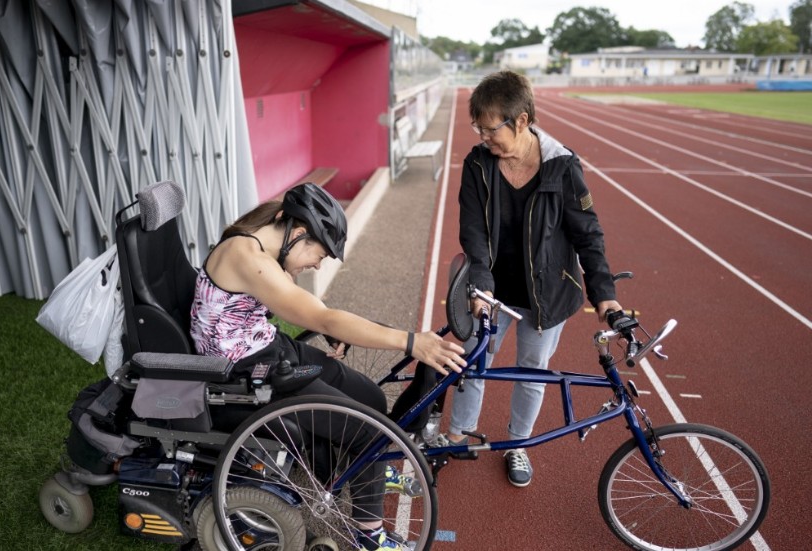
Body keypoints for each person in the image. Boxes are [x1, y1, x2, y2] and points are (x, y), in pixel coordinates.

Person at [190, 182, 465, 551]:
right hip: (244, 371)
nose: (317, 265)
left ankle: (365, 472)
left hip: (267, 347)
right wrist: (412, 341)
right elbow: (325, 316)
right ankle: (369, 535)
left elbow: (306, 306)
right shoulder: (248, 256)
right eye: (319, 255)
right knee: (367, 429)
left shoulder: (261, 243)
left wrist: (325, 322)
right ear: (299, 233)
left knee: (369, 396)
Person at [444, 70, 622, 488]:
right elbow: (474, 232)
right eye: (479, 128)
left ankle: (518, 445)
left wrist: (605, 293)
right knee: (473, 361)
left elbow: (587, 232)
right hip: (492, 288)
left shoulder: (562, 166)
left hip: (547, 293)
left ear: (521, 120)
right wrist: (482, 285)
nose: (484, 137)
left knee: (532, 371)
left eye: (491, 129)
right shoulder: (477, 164)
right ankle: (455, 436)